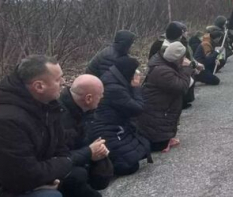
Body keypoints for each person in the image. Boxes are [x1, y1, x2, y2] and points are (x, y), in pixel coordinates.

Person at [0, 55, 90, 197]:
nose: (64, 82)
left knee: (78, 177)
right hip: (9, 186)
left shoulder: (50, 106)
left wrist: (56, 170)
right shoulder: (8, 120)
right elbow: (23, 174)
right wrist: (42, 178)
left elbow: (61, 148)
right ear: (39, 86)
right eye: (58, 79)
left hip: (36, 173)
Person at [92, 56, 151, 176]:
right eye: (134, 71)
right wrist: (136, 88)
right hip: (108, 129)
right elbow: (137, 109)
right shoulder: (114, 88)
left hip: (117, 125)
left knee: (143, 147)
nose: (136, 74)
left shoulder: (113, 77)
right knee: (129, 166)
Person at [58, 75, 113, 195]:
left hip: (78, 159)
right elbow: (59, 158)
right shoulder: (60, 118)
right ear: (88, 98)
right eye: (101, 94)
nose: (102, 97)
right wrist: (89, 152)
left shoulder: (85, 109)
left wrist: (98, 149)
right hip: (62, 171)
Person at [137, 42, 194, 153]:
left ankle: (166, 138)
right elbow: (182, 87)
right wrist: (187, 69)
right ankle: (158, 141)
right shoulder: (162, 71)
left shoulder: (165, 64)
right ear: (178, 58)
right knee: (158, 146)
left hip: (162, 109)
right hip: (155, 113)